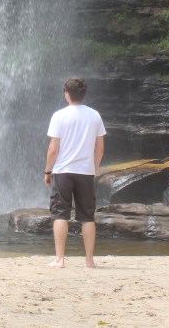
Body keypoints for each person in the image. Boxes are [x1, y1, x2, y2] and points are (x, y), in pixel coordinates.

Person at [43, 77, 105, 268]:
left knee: (60, 214)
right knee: (87, 216)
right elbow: (100, 147)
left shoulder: (59, 116)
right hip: (85, 172)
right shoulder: (95, 115)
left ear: (67, 94)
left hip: (62, 171)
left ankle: (60, 259)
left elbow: (54, 148)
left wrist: (48, 171)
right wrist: (93, 168)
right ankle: (89, 261)